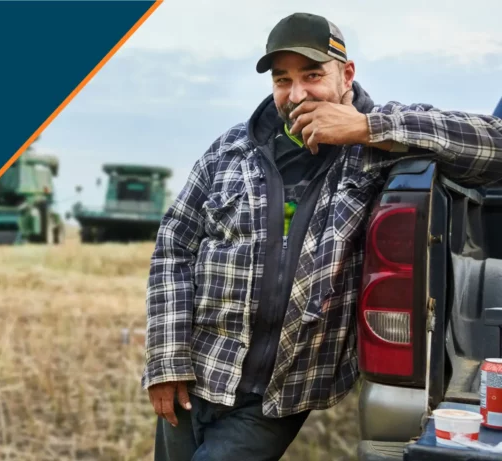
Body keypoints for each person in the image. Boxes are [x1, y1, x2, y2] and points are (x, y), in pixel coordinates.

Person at [142, 12, 502, 461]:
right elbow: (173, 248)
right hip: (198, 371)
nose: (296, 95)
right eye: (282, 80)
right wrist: (166, 359)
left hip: (277, 397)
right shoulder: (229, 150)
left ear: (346, 73)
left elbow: (495, 142)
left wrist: (368, 129)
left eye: (312, 75)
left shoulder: (379, 140)